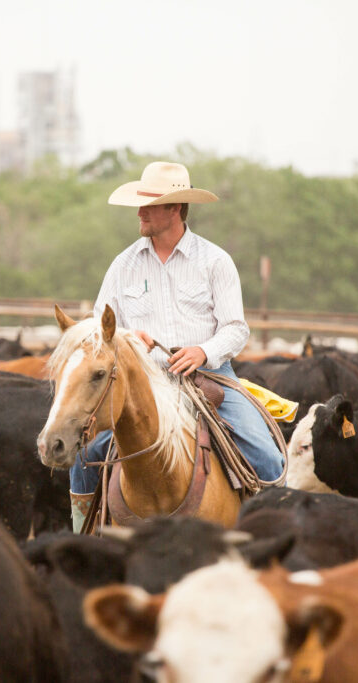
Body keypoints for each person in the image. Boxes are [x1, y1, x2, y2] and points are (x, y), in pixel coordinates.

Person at [69, 161, 285, 531]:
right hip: (143, 382)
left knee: (266, 457)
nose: (140, 212)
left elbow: (236, 329)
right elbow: (99, 332)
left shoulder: (215, 261)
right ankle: (83, 540)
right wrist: (126, 339)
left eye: (149, 205)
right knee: (82, 456)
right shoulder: (123, 266)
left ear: (175, 209)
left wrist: (202, 351)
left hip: (210, 376)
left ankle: (269, 541)